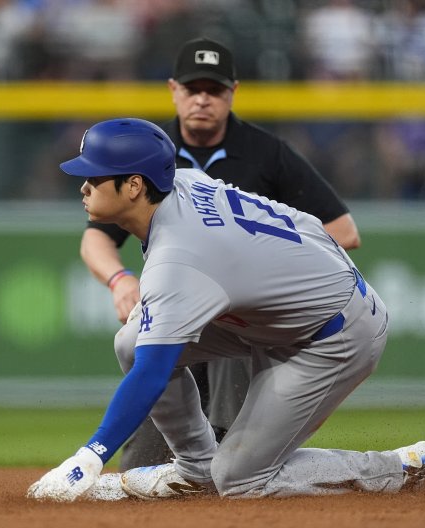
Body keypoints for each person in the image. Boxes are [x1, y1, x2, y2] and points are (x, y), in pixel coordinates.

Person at [26, 117, 425, 502]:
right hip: (287, 312)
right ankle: (194, 469)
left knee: (239, 480)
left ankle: (393, 468)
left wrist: (89, 457)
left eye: (94, 177)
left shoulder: (178, 261)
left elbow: (151, 375)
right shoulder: (182, 181)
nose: (83, 186)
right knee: (132, 342)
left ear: (134, 186)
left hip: (334, 334)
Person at [79, 37, 361, 471]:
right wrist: (120, 279)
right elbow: (95, 237)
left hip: (239, 319)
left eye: (215, 90)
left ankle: (231, 461)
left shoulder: (266, 152)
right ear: (174, 89)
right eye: (194, 89)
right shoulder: (148, 150)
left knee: (232, 460)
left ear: (233, 93)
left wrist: (262, 266)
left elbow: (343, 231)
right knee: (140, 466)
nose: (203, 100)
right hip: (175, 305)